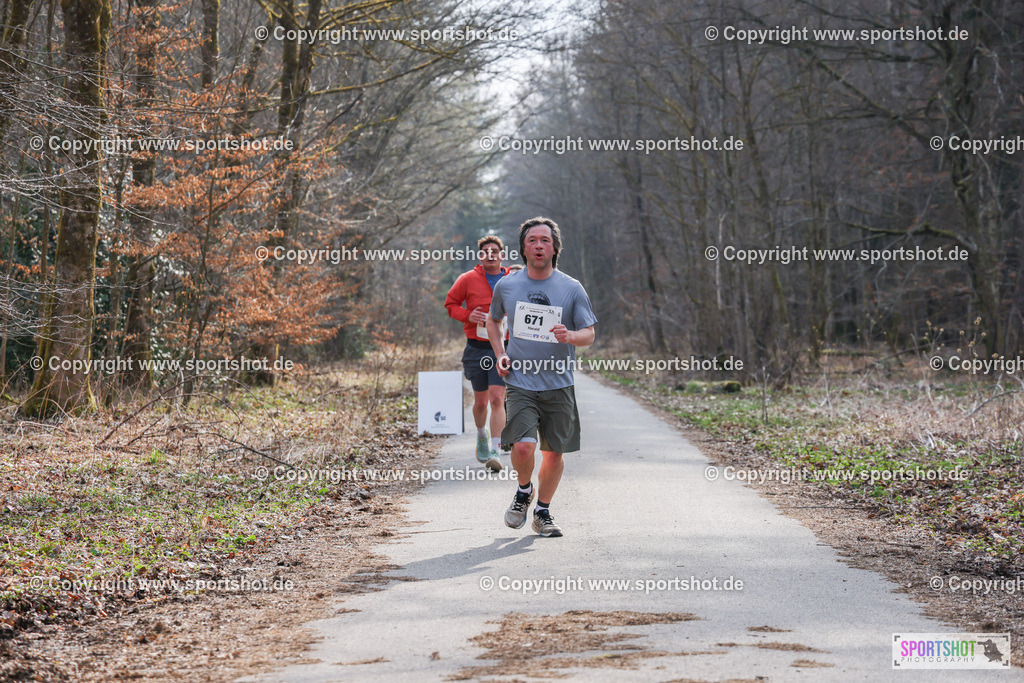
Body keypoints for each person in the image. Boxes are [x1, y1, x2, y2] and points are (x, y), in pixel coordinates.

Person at [486, 217, 596, 537]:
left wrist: (570, 336)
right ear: (523, 247)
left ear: (554, 247)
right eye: (532, 240)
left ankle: (543, 511)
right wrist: (500, 354)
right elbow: (494, 322)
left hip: (559, 384)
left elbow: (588, 334)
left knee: (554, 454)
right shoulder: (507, 284)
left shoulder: (571, 288)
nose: (538, 245)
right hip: (520, 380)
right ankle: (523, 492)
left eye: (544, 240)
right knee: (522, 448)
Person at [444, 236, 510, 471]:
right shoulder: (467, 279)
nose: (490, 255)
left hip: (502, 349)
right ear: (479, 256)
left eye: (495, 251)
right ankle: (482, 434)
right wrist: (468, 316)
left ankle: (496, 450)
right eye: (485, 252)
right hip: (476, 347)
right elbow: (450, 304)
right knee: (481, 402)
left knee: (496, 398)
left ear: (502, 255)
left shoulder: (512, 278)